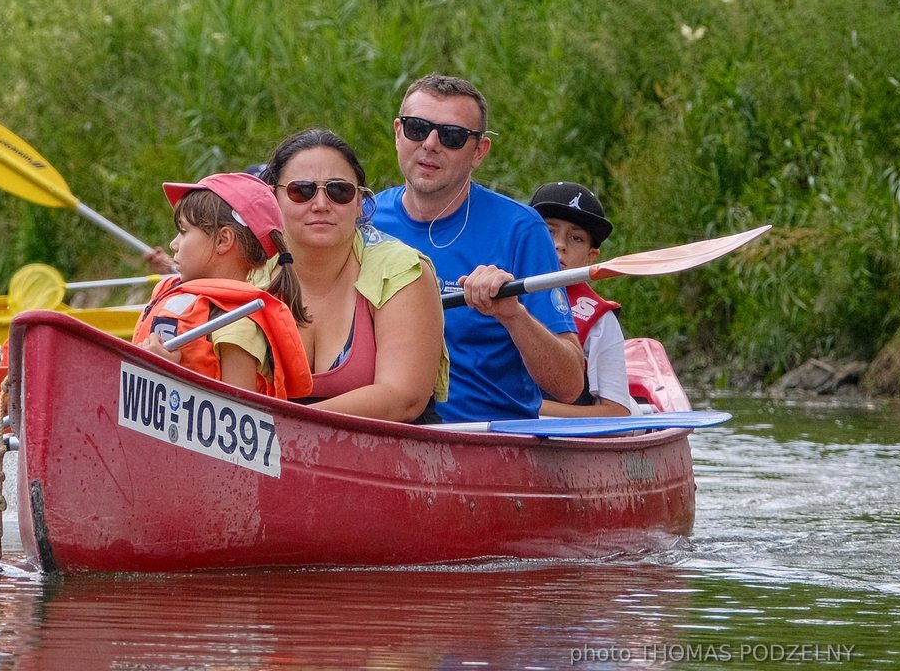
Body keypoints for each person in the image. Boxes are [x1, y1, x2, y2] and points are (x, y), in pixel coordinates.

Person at [371, 74, 584, 422]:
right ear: (398, 132)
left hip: (484, 439)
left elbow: (570, 384)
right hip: (384, 433)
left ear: (479, 152)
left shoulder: (521, 229)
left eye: (452, 137)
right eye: (417, 128)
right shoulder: (363, 222)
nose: (430, 144)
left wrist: (513, 316)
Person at [251, 128, 448, 424]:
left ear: (359, 203)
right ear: (272, 198)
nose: (320, 204)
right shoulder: (248, 269)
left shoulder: (400, 269)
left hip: (383, 456)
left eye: (338, 191)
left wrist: (286, 423)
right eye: (301, 191)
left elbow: (404, 398)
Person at [133, 172, 313, 400]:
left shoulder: (237, 325)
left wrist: (170, 375)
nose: (173, 244)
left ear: (223, 240)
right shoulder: (172, 293)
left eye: (184, 231)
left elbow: (235, 421)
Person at [528, 181, 634, 417]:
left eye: (576, 238)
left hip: (558, 439)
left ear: (590, 256)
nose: (560, 245)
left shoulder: (600, 321)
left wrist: (528, 408)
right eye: (549, 231)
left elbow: (616, 414)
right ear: (525, 238)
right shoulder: (495, 292)